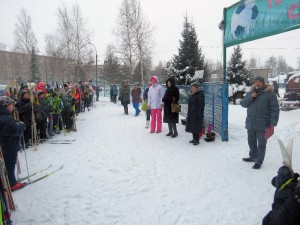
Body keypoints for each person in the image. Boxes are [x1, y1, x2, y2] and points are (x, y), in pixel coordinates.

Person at [240, 76, 280, 169]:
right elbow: (243, 104)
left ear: (263, 83)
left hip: (263, 123)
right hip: (250, 122)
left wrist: (273, 122)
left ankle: (259, 161)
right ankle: (253, 156)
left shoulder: (270, 94)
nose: (257, 83)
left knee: (261, 143)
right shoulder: (250, 93)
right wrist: (252, 97)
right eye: (256, 82)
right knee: (251, 141)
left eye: (259, 82)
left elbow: (275, 109)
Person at [0, 96, 26, 191]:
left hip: (4, 145)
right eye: (11, 105)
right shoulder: (6, 118)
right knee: (10, 163)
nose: (12, 107)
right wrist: (21, 127)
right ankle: (12, 183)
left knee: (6, 163)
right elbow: (14, 131)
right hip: (8, 145)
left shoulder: (3, 116)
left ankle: (6, 180)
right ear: (6, 106)